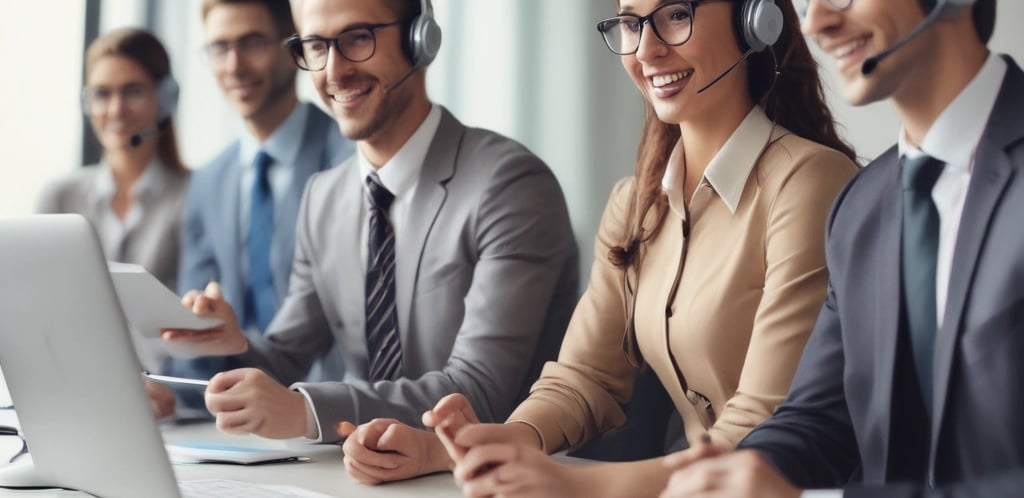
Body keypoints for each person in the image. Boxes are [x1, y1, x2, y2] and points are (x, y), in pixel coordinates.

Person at [376, 0, 860, 493]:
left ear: (753, 19)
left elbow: (764, 424)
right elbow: (585, 377)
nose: (646, 50)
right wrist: (483, 446)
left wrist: (579, 486)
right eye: (631, 23)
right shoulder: (636, 204)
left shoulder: (809, 182)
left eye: (676, 15)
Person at [162, 0, 579, 452]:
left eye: (357, 38)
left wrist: (305, 411)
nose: (334, 72)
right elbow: (285, 357)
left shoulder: (509, 185)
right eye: (316, 46)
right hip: (359, 472)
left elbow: (479, 391)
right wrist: (231, 343)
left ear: (420, 40)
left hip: (493, 473)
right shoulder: (323, 197)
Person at [658, 1, 1020, 497]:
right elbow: (818, 419)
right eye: (808, 2)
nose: (815, 23)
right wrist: (735, 475)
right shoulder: (861, 207)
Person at [167, 0, 355, 395]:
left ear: (294, 48)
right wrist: (169, 392)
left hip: (334, 405)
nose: (233, 66)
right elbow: (193, 332)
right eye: (219, 48)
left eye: (251, 43)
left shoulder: (351, 158)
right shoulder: (208, 181)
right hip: (237, 404)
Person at [36, 27, 188, 418]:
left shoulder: (196, 196)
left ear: (165, 99)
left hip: (170, 407)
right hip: (74, 399)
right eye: (102, 94)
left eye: (132, 91)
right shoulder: (59, 197)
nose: (116, 110)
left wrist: (179, 394)